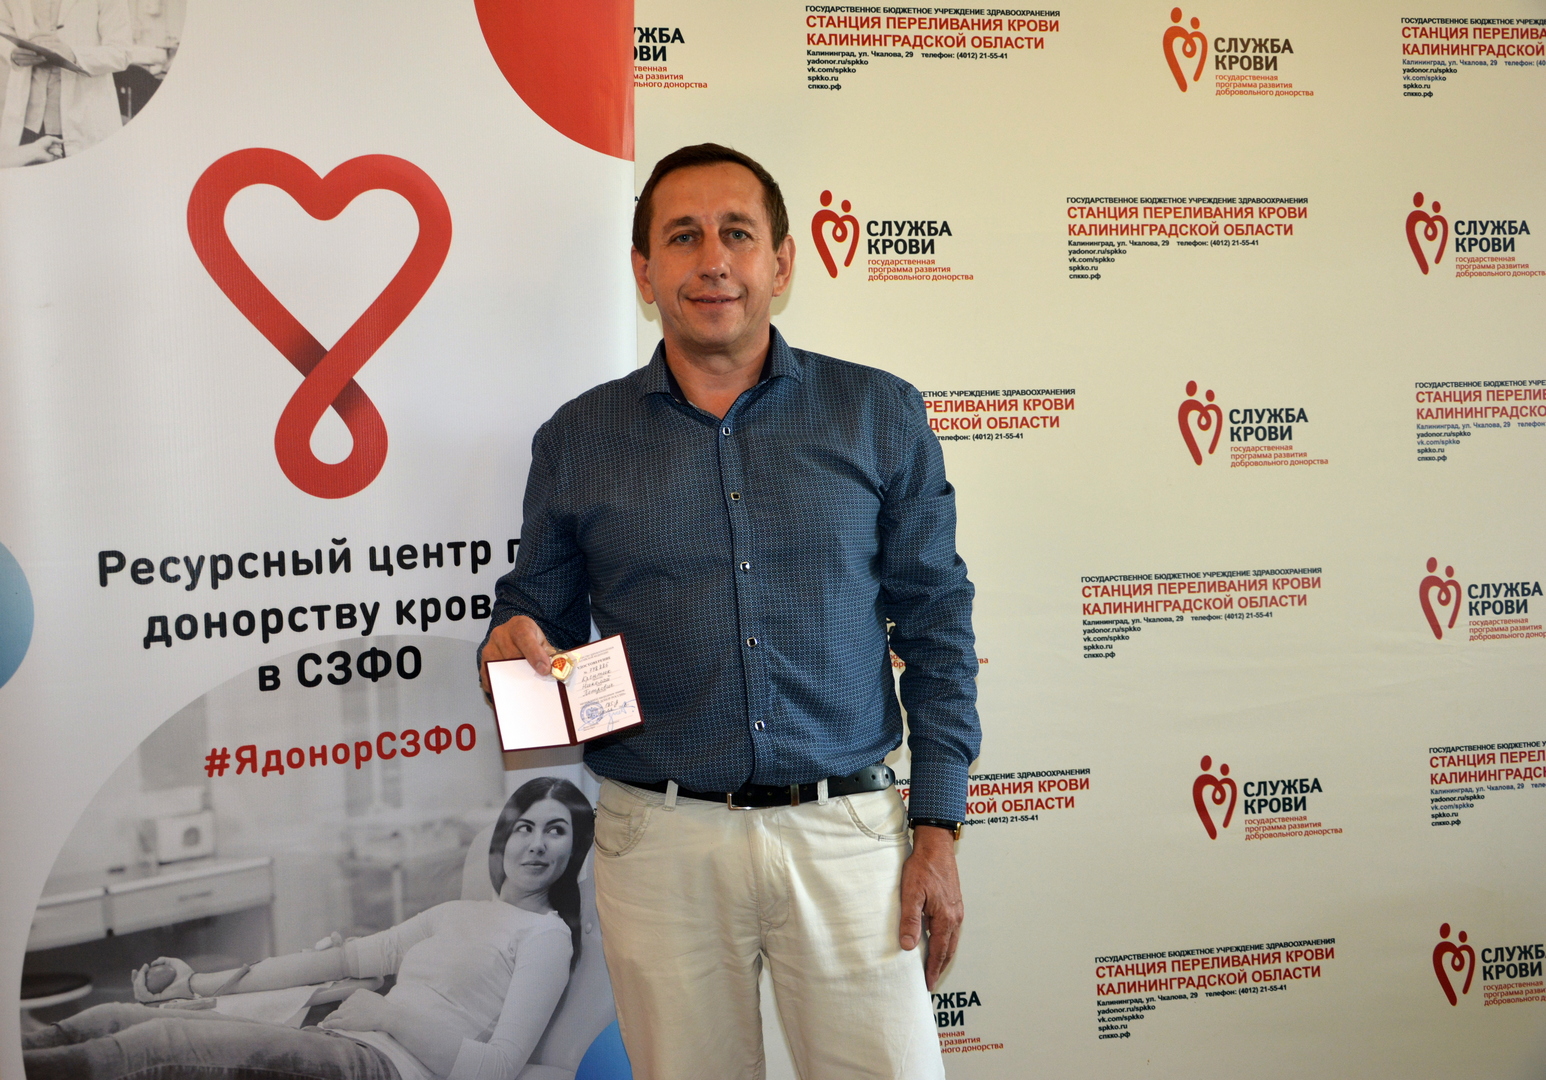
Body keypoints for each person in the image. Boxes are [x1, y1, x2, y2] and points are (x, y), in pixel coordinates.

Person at [478, 143, 979, 1079]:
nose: (713, 260)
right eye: (683, 237)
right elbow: (534, 620)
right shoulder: (578, 439)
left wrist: (938, 828)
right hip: (659, 843)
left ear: (781, 263)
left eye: (737, 234)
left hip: (847, 836)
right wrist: (510, 648)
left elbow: (939, 624)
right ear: (644, 272)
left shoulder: (877, 413)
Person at [22, 778, 596, 1080]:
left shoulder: (546, 937)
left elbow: (496, 1070)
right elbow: (335, 962)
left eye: (556, 831)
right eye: (525, 827)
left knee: (160, 1048)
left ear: (573, 851)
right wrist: (194, 983)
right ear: (505, 838)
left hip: (387, 1069)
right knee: (117, 1017)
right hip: (347, 1042)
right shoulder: (453, 914)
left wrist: (388, 1015)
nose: (536, 844)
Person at [0, 0, 130, 163]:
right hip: (26, 122)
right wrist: (11, 52)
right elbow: (2, 27)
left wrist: (73, 54)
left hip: (83, 123)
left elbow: (121, 53)